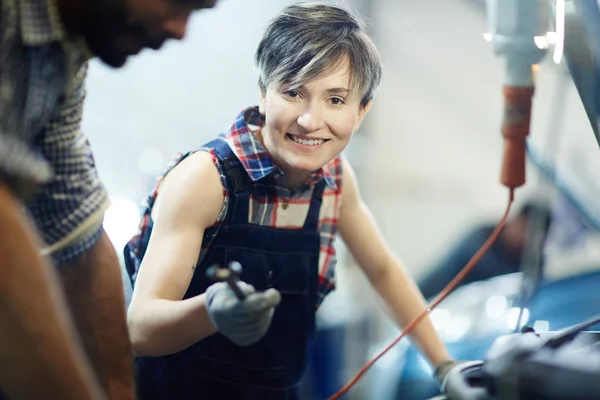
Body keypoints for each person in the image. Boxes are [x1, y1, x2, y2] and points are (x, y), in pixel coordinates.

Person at [124, 3, 467, 399]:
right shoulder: (205, 179)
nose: (309, 120)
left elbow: (383, 271)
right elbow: (140, 329)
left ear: (361, 112)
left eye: (336, 100)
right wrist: (212, 311)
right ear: (264, 94)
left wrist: (444, 367)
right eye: (293, 92)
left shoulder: (337, 181)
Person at [0, 0, 218, 399]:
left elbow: (76, 229)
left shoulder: (64, 54)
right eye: (178, 2)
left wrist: (118, 390)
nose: (180, 30)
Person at [418, 202, 552, 299]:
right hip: (430, 300)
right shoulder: (482, 238)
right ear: (515, 221)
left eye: (534, 237)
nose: (525, 238)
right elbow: (494, 275)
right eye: (524, 230)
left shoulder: (530, 260)